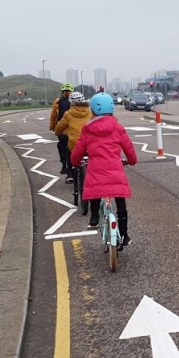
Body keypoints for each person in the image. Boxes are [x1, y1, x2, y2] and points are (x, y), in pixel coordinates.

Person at [70, 92, 138, 247]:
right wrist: (132, 161)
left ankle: (94, 218)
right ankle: (125, 235)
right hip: (115, 171)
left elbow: (78, 151)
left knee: (95, 190)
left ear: (93, 110)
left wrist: (75, 162)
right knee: (120, 202)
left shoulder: (87, 129)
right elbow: (129, 149)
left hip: (96, 171)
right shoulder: (118, 128)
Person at [54, 91, 93, 185]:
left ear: (71, 103)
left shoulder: (68, 114)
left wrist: (58, 132)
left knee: (69, 151)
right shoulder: (90, 112)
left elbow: (59, 128)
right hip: (90, 143)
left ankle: (70, 173)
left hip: (75, 144)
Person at [49, 83, 74, 174]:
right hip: (70, 128)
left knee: (62, 146)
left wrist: (52, 127)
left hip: (62, 128)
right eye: (66, 92)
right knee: (72, 146)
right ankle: (70, 165)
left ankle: (64, 166)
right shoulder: (75, 101)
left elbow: (53, 115)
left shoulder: (58, 101)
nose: (67, 93)